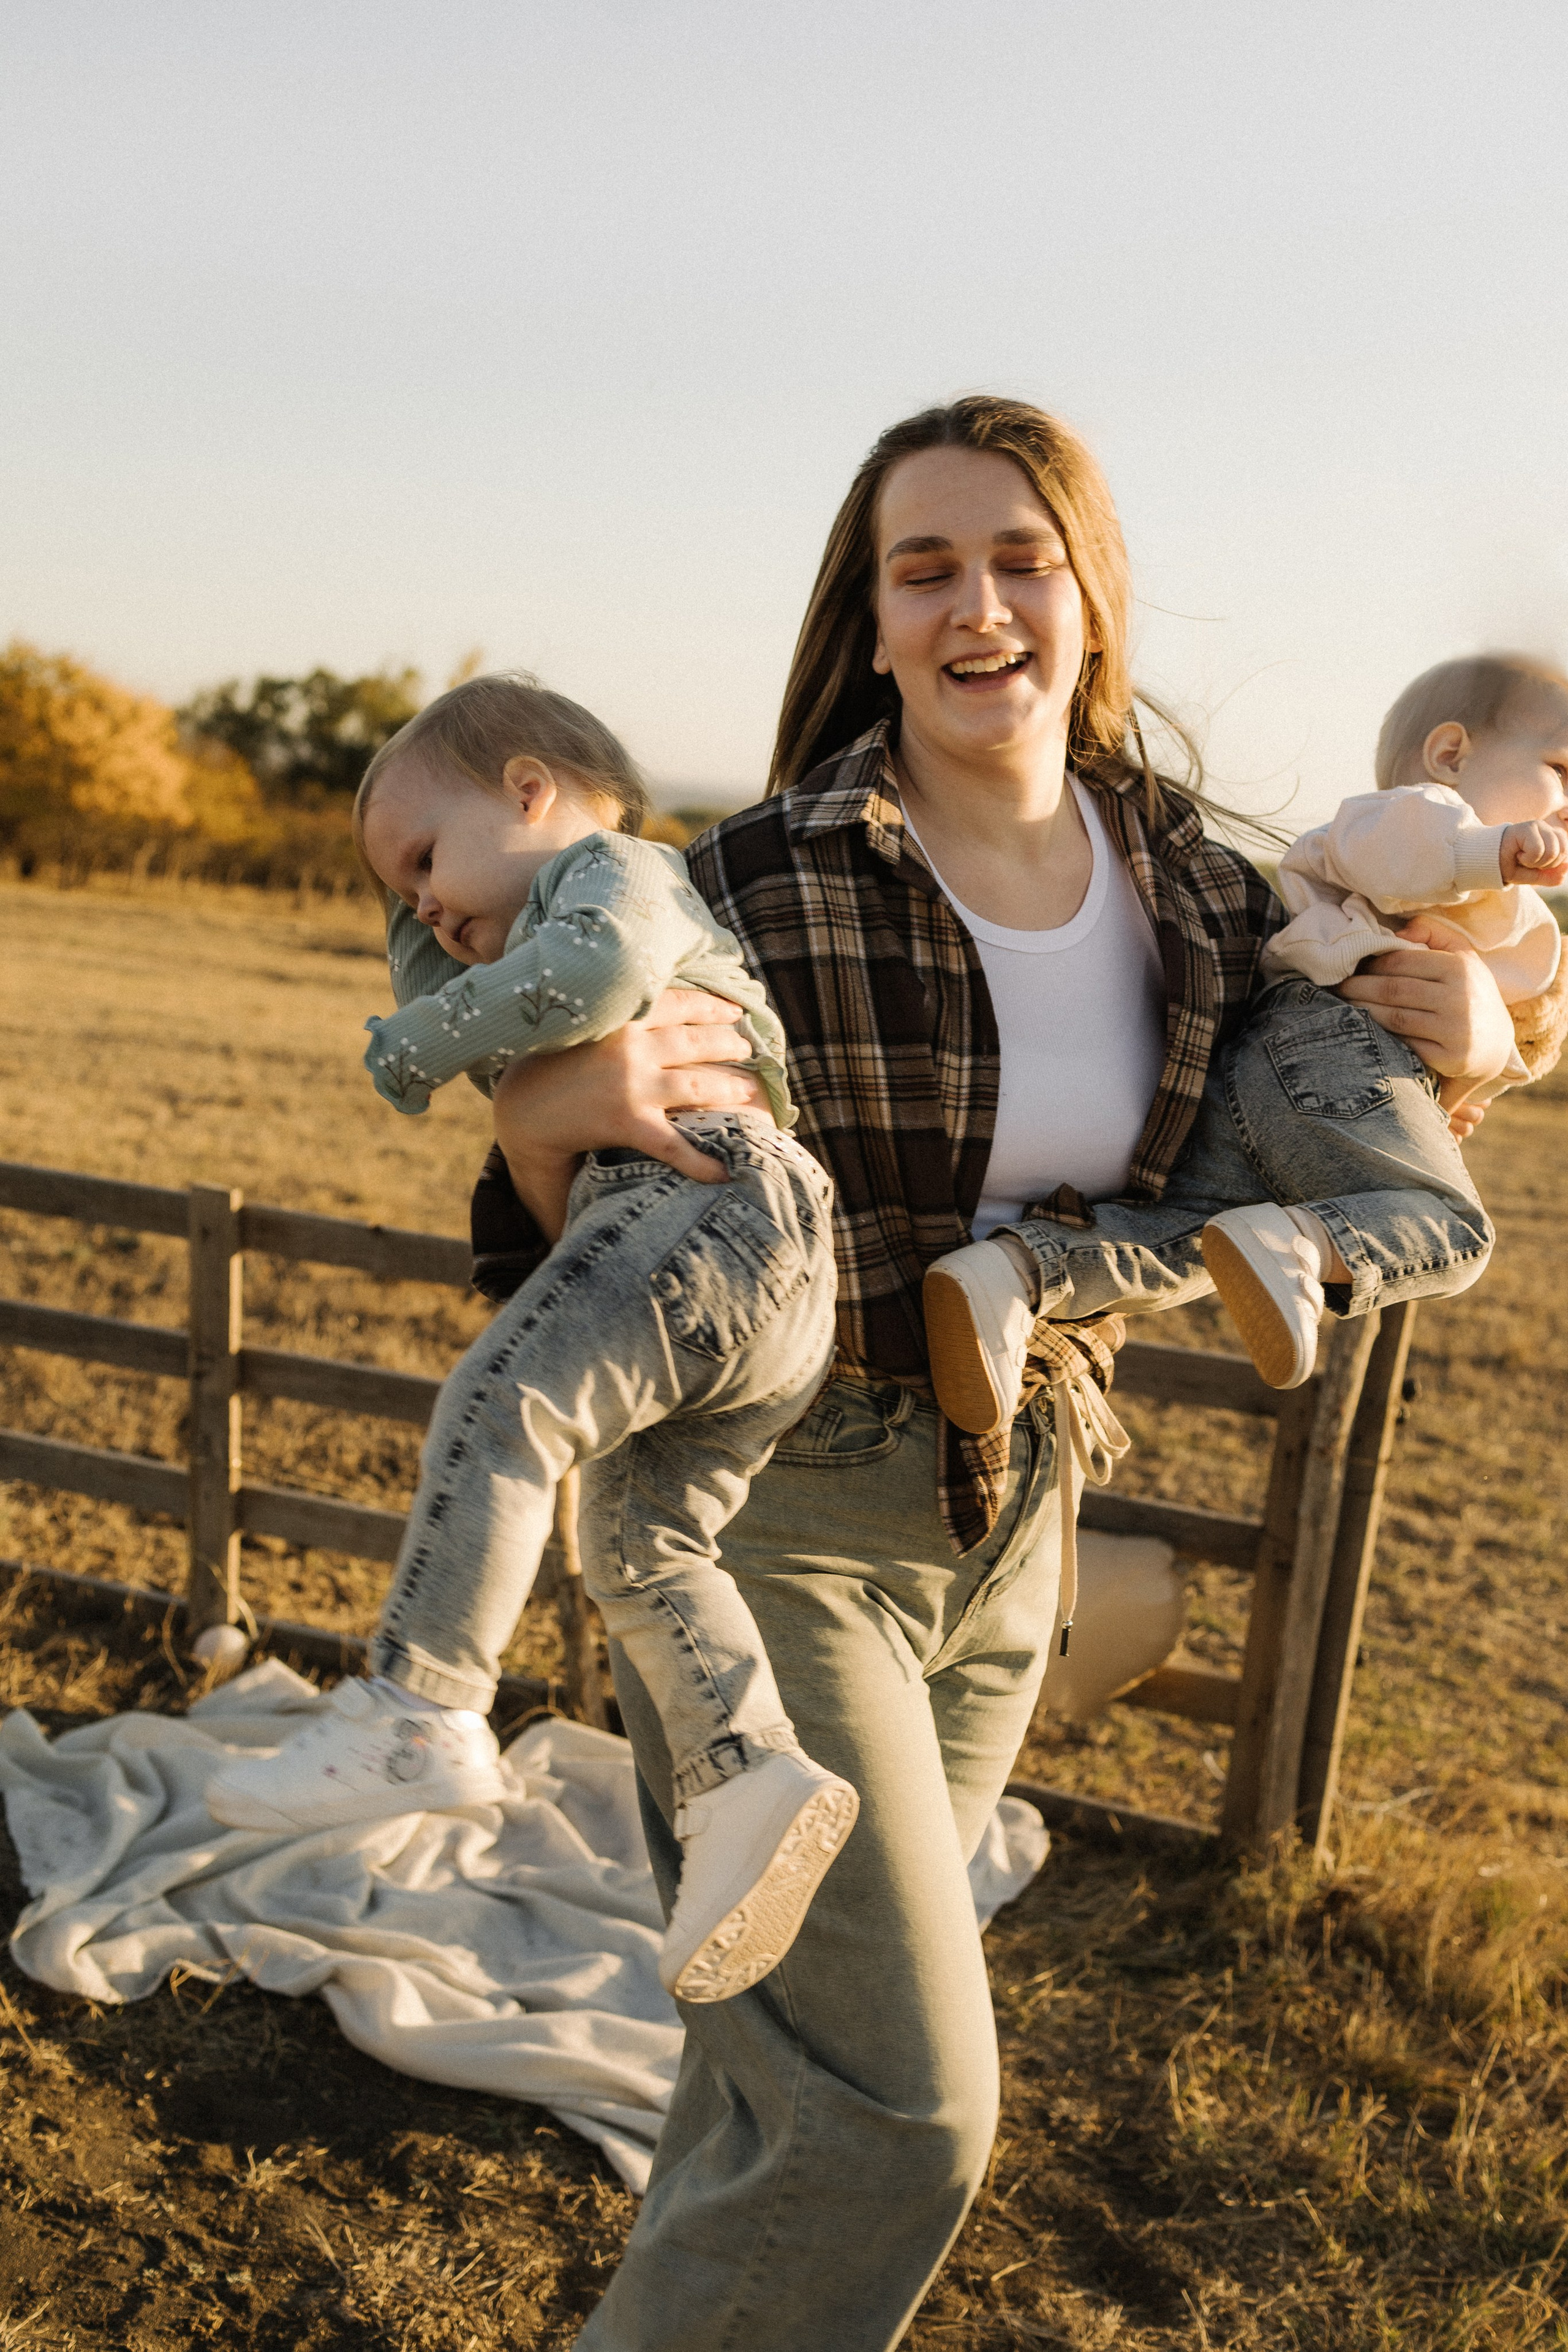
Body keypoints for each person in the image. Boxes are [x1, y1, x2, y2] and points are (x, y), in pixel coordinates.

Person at [415, 399, 1520, 2352]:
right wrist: (542, 1123)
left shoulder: (1201, 890)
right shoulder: (741, 883)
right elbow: (557, 1246)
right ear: (872, 615)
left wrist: (1485, 1038)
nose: (977, 601)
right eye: (924, 565)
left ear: (1087, 592)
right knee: (900, 2115)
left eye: (1018, 556)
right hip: (771, 1528)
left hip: (1011, 1529)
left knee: (771, 2089)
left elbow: (1328, 1120)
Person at [206, 674, 858, 2008]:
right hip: (759, 1272)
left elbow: (590, 978)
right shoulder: (535, 931)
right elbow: (519, 1030)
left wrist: (409, 1041)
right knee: (639, 1543)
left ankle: (421, 1709)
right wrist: (427, 941)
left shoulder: (611, 875)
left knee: (500, 1401)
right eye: (400, 897)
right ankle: (747, 1772)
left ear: (528, 792)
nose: (423, 907)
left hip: (703, 1205)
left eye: (425, 862)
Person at [922, 650, 1568, 1436]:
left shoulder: (1522, 920)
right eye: (1560, 769)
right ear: (1450, 755)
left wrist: (1472, 1084)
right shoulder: (1416, 817)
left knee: (1190, 1232)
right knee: (1452, 1231)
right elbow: (1397, 855)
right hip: (1328, 1039)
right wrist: (1489, 851)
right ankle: (1295, 1245)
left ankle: (1012, 1273)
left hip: (1280, 1074)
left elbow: (1527, 1034)